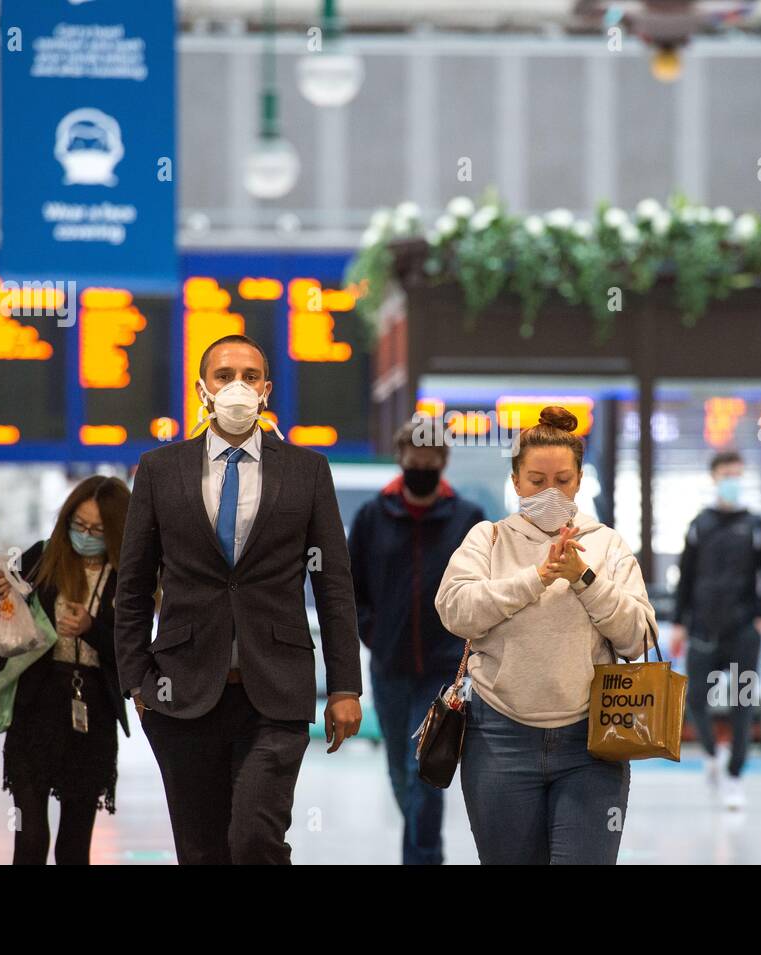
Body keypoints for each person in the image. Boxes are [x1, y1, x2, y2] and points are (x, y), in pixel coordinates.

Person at [113, 333, 362, 864]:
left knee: (254, 839)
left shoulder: (307, 470)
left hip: (274, 690)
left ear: (266, 390)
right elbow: (132, 585)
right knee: (201, 850)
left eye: (249, 377)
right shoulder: (160, 469)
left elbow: (334, 585)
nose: (237, 387)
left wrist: (344, 686)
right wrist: (136, 678)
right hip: (180, 692)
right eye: (224, 376)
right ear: (202, 390)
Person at [435, 405, 656, 865]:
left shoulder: (607, 545)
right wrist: (536, 578)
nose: (550, 491)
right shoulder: (488, 538)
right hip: (498, 738)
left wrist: (583, 577)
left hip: (591, 742)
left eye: (562, 480)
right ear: (516, 481)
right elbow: (456, 611)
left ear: (579, 481)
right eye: (537, 481)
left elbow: (638, 637)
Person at [0, 475, 133, 865]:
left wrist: (91, 630)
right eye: (78, 525)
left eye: (96, 529)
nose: (85, 535)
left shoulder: (127, 579)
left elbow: (130, 652)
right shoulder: (43, 557)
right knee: (30, 838)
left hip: (91, 715)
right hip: (35, 707)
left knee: (74, 847)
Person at [347, 415, 485, 865]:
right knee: (400, 773)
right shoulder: (372, 516)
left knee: (423, 767)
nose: (421, 464)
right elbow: (351, 587)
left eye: (430, 458)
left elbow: (483, 587)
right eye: (414, 457)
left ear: (442, 462)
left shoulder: (468, 520)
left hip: (445, 670)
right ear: (401, 457)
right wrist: (372, 631)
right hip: (389, 668)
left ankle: (421, 859)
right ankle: (427, 852)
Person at [669, 450, 761, 811]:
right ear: (714, 477)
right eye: (726, 473)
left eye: (738, 473)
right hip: (703, 628)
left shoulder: (757, 526)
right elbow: (685, 578)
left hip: (744, 629)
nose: (733, 480)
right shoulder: (700, 525)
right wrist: (680, 622)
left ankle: (735, 774)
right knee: (696, 698)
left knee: (742, 703)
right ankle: (713, 753)